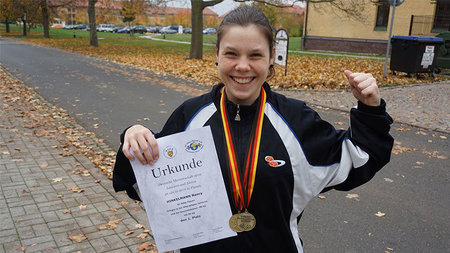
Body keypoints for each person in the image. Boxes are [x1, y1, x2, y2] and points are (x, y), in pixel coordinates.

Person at [113, 5, 394, 253]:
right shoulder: (191, 116)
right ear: (218, 55)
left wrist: (370, 108)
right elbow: (147, 183)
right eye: (232, 54)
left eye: (255, 55)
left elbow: (360, 157)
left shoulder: (296, 120)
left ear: (271, 56)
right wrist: (133, 136)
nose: (243, 66)